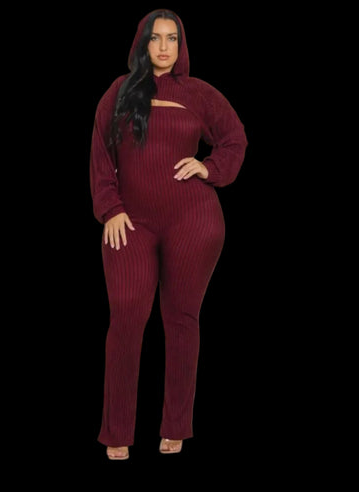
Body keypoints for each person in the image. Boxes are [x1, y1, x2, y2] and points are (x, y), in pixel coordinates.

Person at [89, 8, 248, 460]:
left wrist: (209, 167)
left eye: (172, 39)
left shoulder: (198, 93)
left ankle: (176, 426)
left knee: (181, 319)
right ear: (142, 44)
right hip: (130, 223)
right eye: (155, 38)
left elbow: (235, 138)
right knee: (126, 316)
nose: (163, 47)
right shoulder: (119, 91)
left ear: (181, 45)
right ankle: (117, 430)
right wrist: (110, 209)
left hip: (192, 220)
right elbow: (100, 153)